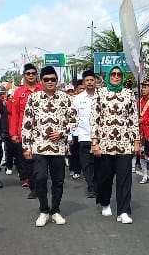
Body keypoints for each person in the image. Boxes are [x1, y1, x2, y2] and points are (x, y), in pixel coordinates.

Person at [21, 66, 78, 227]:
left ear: (57, 80)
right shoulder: (34, 98)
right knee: (40, 178)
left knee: (58, 180)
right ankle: (44, 210)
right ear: (41, 81)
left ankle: (55, 210)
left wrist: (62, 132)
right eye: (47, 79)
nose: (50, 82)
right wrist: (26, 147)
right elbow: (27, 124)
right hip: (39, 146)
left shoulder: (66, 98)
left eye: (53, 79)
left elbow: (74, 121)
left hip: (59, 147)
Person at [92, 65, 140, 224]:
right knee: (105, 177)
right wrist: (95, 142)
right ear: (108, 76)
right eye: (113, 74)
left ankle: (123, 211)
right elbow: (95, 119)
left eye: (119, 74)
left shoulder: (128, 93)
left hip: (124, 142)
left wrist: (136, 141)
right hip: (105, 143)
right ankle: (105, 202)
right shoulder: (100, 93)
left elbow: (133, 119)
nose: (116, 76)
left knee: (125, 178)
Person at [8, 63, 42, 197]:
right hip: (24, 133)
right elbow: (14, 114)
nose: (31, 76)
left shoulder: (43, 89)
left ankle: (41, 185)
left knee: (41, 161)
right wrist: (13, 133)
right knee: (28, 162)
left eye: (33, 73)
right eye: (28, 73)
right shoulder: (19, 93)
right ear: (24, 76)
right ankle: (33, 188)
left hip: (42, 133)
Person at [72, 70, 98, 198]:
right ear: (83, 82)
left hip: (99, 138)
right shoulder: (78, 99)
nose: (89, 82)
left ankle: (97, 184)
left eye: (91, 80)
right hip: (84, 136)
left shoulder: (102, 96)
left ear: (95, 82)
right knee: (86, 164)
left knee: (98, 164)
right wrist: (71, 136)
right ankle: (91, 187)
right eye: (87, 80)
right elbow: (73, 118)